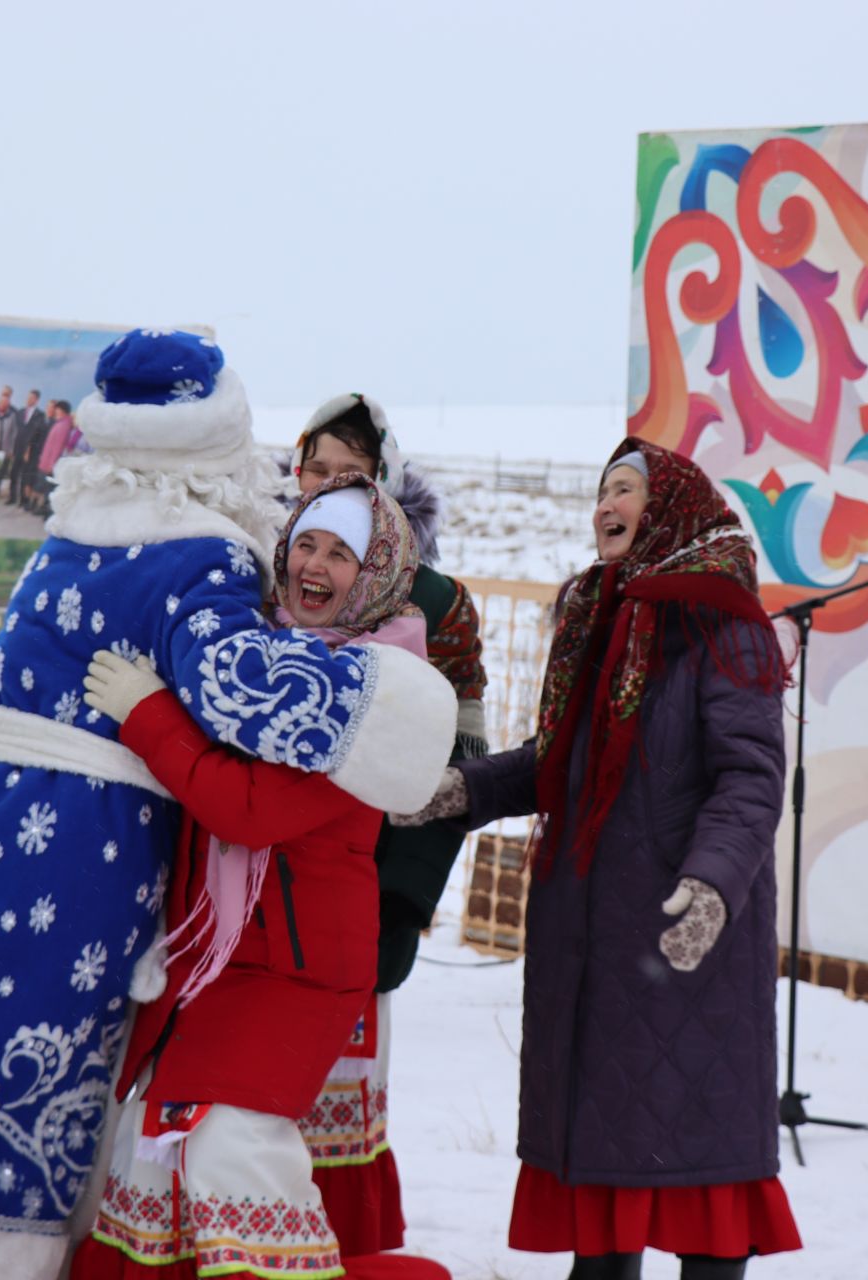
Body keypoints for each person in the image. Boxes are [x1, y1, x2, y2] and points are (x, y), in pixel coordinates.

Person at [0, 329, 456, 1280]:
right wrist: (391, 710)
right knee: (44, 1060)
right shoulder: (209, 560)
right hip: (84, 846)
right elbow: (241, 687)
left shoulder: (65, 537)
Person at [403, 440, 800, 1278]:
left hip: (679, 944)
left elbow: (751, 777)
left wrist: (712, 886)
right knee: (604, 1220)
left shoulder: (722, 623)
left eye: (624, 490)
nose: (604, 507)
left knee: (705, 1207)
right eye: (599, 492)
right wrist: (463, 789)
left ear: (671, 508)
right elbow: (560, 761)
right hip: (595, 947)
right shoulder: (601, 617)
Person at [73, 473, 433, 1279]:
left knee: (230, 1148)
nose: (316, 563)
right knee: (153, 1156)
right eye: (305, 541)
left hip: (298, 972)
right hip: (218, 962)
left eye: (342, 552)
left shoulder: (369, 692)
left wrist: (149, 713)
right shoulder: (252, 665)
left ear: (373, 575)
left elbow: (247, 809)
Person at [285, 394, 488, 1264]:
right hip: (248, 883)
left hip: (358, 896)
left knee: (324, 1098)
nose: (329, 485)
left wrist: (399, 907)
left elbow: (454, 772)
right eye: (315, 469)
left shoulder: (435, 604)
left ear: (387, 484)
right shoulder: (263, 574)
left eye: (352, 474)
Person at [4, 388, 48, 504]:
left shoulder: (40, 415)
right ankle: (12, 498)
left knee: (25, 475)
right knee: (14, 474)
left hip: (30, 452)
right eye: (28, 397)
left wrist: (29, 448)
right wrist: (11, 449)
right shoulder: (20, 412)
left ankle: (23, 500)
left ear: (36, 400)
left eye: (31, 398)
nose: (28, 400)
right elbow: (14, 431)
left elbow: (38, 434)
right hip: (17, 449)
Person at [36, 398, 77, 482]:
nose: (55, 411)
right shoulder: (60, 423)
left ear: (62, 410)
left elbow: (58, 447)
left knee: (45, 490)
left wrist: (52, 464)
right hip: (48, 462)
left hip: (50, 465)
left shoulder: (63, 425)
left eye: (57, 409)